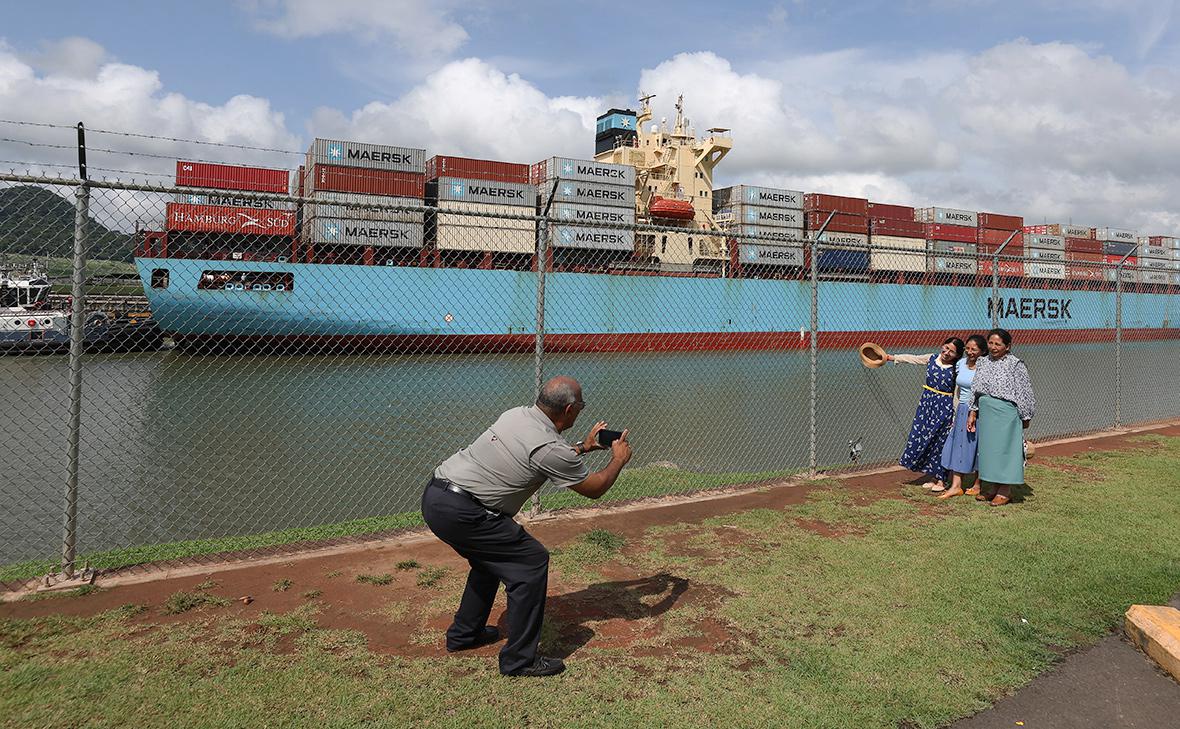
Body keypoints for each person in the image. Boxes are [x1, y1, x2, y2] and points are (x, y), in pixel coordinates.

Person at [421, 376, 633, 677]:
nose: (582, 411)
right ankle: (519, 660)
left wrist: (584, 447)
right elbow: (594, 487)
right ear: (570, 410)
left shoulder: (517, 414)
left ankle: (465, 635)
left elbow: (545, 455)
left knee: (489, 563)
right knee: (530, 562)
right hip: (465, 512)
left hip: (437, 496)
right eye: (582, 406)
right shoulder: (550, 448)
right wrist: (618, 460)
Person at [885, 338, 964, 493]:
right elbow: (913, 358)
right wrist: (892, 357)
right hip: (926, 405)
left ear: (957, 355)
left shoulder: (956, 368)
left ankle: (942, 480)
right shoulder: (932, 358)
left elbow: (956, 394)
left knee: (940, 442)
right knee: (923, 437)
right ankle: (932, 476)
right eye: (946, 348)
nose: (947, 353)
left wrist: (954, 415)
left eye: (952, 351)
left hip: (944, 407)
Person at [967, 328, 1035, 506]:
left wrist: (1026, 415)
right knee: (990, 452)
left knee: (1005, 451)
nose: (993, 347)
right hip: (987, 412)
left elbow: (1024, 391)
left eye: (998, 344)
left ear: (1008, 346)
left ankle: (1005, 490)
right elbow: (976, 387)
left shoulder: (1015, 364)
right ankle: (992, 487)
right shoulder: (983, 362)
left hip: (1006, 413)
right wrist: (972, 411)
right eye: (991, 343)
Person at [936, 334, 987, 500]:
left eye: (974, 349)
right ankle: (956, 485)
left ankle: (978, 484)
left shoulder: (986, 367)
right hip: (963, 409)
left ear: (982, 351)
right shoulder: (960, 364)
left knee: (978, 446)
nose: (970, 352)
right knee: (958, 444)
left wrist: (975, 411)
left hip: (980, 410)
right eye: (967, 348)